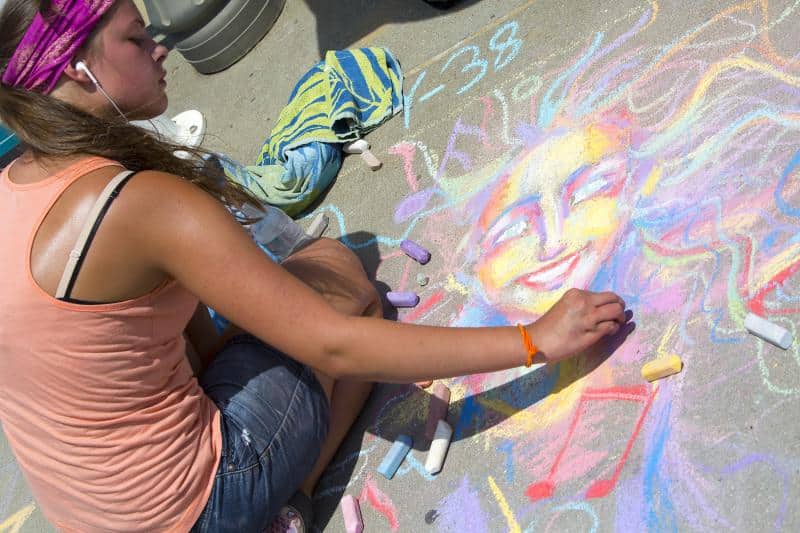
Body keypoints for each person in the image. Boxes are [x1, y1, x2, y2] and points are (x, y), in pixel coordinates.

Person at [0, 1, 629, 531]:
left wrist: (243, 353)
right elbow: (335, 348)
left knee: (308, 314)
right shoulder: (144, 204)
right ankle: (281, 506)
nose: (160, 48)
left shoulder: (14, 187)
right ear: (80, 72)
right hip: (203, 505)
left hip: (100, 518)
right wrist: (532, 340)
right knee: (338, 270)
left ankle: (281, 491)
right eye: (136, 38)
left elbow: (159, 325)